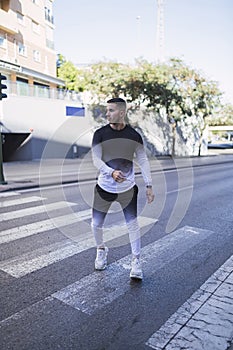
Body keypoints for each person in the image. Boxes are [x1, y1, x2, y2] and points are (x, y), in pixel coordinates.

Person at [91, 97, 155, 280]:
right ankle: (101, 250)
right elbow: (96, 159)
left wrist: (148, 185)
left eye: (110, 110)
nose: (107, 113)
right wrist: (110, 172)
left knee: (132, 225)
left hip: (128, 188)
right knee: (96, 224)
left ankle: (136, 261)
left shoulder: (134, 135)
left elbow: (142, 160)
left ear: (121, 112)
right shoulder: (100, 134)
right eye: (107, 110)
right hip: (104, 186)